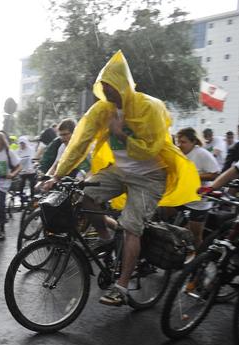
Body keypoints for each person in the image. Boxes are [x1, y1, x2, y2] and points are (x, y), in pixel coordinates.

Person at [42, 50, 200, 307]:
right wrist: (56, 175)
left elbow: (150, 148)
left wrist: (121, 134)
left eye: (111, 86)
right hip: (120, 171)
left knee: (131, 228)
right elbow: (79, 143)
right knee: (85, 195)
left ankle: (122, 287)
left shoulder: (149, 107)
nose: (107, 92)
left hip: (150, 177)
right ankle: (105, 235)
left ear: (124, 85)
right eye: (103, 87)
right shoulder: (102, 110)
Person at [175, 128, 220, 248]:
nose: (179, 145)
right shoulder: (179, 153)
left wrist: (194, 176)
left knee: (196, 236)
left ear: (193, 141)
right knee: (172, 226)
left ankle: (198, 262)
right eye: (178, 142)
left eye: (183, 142)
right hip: (182, 198)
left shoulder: (201, 154)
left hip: (199, 202)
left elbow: (215, 174)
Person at [16, 136, 37, 204]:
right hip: (22, 172)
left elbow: (33, 159)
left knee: (32, 186)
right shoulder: (18, 151)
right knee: (21, 186)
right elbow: (16, 161)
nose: (22, 145)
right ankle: (22, 202)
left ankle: (32, 201)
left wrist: (32, 166)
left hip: (31, 171)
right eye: (21, 143)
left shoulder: (31, 150)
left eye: (23, 143)